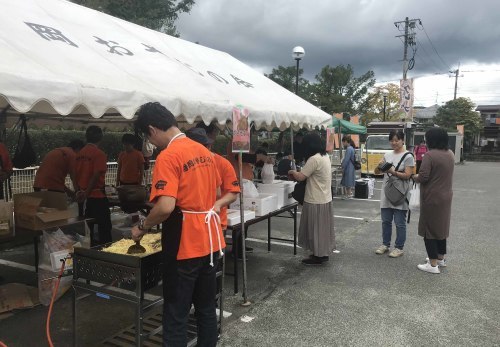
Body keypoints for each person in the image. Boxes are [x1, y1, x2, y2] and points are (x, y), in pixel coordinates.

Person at [131, 102, 236, 346]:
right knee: (206, 309)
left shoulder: (169, 155)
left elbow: (166, 207)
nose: (152, 144)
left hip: (185, 244)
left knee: (176, 314)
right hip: (211, 241)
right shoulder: (204, 152)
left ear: (152, 130)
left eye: (149, 138)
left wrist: (143, 226)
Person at [288, 132, 335, 265]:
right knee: (322, 229)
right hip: (325, 197)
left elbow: (300, 177)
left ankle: (317, 255)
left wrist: (292, 172)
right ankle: (322, 253)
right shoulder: (325, 156)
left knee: (314, 229)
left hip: (315, 199)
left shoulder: (314, 159)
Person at [413, 128, 455, 274]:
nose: (425, 141)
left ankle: (432, 264)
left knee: (429, 230)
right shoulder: (450, 154)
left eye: (426, 138)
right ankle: (440, 259)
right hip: (446, 197)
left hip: (432, 198)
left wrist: (413, 177)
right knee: (441, 229)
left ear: (432, 140)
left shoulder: (430, 156)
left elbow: (423, 177)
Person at [187, 127, 240, 235]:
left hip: (215, 220)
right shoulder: (186, 164)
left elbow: (233, 193)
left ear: (209, 146)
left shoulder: (223, 164)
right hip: (189, 223)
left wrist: (218, 204)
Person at [374, 130, 415, 258]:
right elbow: (376, 172)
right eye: (391, 140)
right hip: (387, 191)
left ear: (403, 140)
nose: (394, 143)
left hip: (400, 193)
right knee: (385, 221)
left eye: (397, 140)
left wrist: (393, 171)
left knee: (399, 222)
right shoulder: (387, 154)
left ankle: (399, 247)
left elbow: (408, 175)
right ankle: (385, 244)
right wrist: (379, 166)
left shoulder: (409, 156)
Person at [74, 126, 112, 246]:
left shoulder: (79, 154)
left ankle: (89, 249)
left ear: (86, 137)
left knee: (87, 227)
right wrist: (87, 193)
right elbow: (96, 175)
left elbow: (75, 174)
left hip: (83, 196)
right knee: (104, 226)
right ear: (100, 138)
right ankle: (106, 252)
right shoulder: (99, 154)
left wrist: (80, 192)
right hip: (97, 195)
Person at [340, 135, 355, 199]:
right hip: (351, 166)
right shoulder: (351, 148)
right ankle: (349, 193)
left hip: (348, 166)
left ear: (346, 141)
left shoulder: (348, 149)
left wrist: (343, 166)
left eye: (343, 142)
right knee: (349, 180)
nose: (343, 144)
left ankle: (348, 194)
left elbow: (346, 159)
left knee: (347, 180)